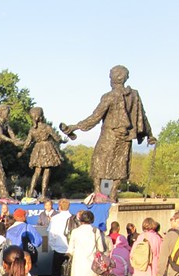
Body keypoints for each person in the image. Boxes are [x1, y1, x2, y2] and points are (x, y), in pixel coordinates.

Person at [61, 65, 156, 202]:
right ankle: (112, 194)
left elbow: (95, 117)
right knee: (120, 163)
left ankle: (98, 193)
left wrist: (75, 127)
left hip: (109, 134)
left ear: (114, 78)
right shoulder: (134, 95)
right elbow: (142, 116)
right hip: (126, 136)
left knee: (99, 160)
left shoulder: (109, 96)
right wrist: (149, 134)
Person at [17, 106, 66, 198]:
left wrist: (22, 152)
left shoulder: (32, 130)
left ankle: (30, 194)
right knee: (46, 171)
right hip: (47, 149)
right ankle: (43, 195)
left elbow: (27, 143)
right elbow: (57, 138)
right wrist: (63, 140)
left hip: (38, 150)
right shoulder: (47, 127)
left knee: (37, 172)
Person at [47, 199, 73, 276]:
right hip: (71, 250)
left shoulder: (55, 218)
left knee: (56, 274)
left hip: (58, 249)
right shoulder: (73, 218)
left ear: (59, 207)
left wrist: (52, 245)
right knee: (72, 274)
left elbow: (52, 234)